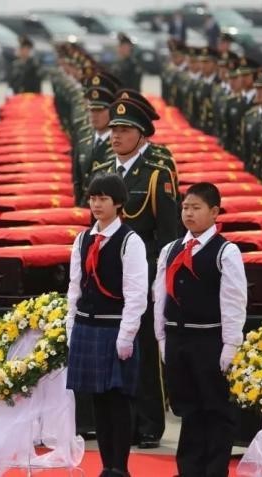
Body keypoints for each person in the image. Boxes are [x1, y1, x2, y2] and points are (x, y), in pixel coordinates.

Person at [90, 99, 179, 449]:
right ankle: (119, 422)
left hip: (143, 271)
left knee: (142, 347)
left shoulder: (156, 174)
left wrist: (159, 279)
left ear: (141, 135)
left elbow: (168, 234)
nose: (116, 136)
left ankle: (149, 423)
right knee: (110, 346)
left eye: (124, 130)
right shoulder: (102, 171)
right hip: (107, 273)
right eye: (114, 129)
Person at [154, 183, 245, 477]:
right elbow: (160, 296)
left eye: (196, 208)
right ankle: (189, 469)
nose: (189, 214)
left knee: (215, 408)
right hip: (177, 338)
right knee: (188, 408)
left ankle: (215, 470)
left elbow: (233, 300)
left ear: (214, 212)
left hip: (209, 339)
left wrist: (230, 344)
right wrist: (161, 337)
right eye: (185, 208)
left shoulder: (225, 251)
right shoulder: (171, 249)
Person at [66, 173, 148, 477]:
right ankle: (105, 466)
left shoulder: (130, 241)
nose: (96, 204)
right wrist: (71, 326)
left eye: (103, 199)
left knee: (118, 399)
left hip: (115, 327)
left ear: (118, 203)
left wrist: (126, 335)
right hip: (87, 326)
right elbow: (74, 287)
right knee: (97, 400)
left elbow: (136, 293)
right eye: (93, 198)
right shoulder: (82, 239)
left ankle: (120, 467)